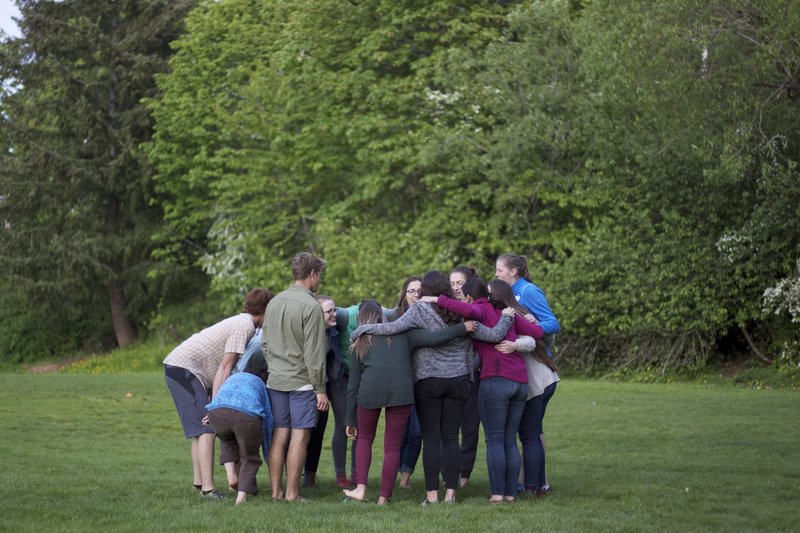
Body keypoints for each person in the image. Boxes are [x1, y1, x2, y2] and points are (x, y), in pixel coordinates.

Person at [350, 271, 515, 505]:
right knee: (451, 438)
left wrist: (360, 331)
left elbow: (392, 328)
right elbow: (494, 335)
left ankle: (431, 496)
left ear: (425, 290)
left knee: (431, 438)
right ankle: (451, 495)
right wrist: (508, 317)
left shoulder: (418, 310)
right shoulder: (461, 310)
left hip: (428, 381)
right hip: (458, 381)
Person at [342, 300, 478, 504]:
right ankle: (383, 498)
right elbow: (436, 338)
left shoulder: (358, 342)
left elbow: (353, 385)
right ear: (383, 316)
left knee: (364, 439)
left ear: (361, 319)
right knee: (392, 447)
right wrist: (462, 327)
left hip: (370, 392)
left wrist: (350, 420)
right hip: (401, 393)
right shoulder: (404, 334)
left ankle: (360, 490)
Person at [423, 277, 543, 503]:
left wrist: (437, 299)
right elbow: (536, 333)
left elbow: (468, 310)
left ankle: (497, 494)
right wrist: (530, 319)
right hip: (520, 380)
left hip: (496, 380)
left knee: (495, 440)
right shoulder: (506, 311)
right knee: (509, 439)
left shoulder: (479, 309)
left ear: (469, 297)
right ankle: (510, 494)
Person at [163, 288, 273, 500]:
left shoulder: (242, 323)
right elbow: (225, 367)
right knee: (207, 429)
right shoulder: (245, 326)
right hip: (185, 368)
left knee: (200, 430)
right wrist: (215, 405)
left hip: (180, 368)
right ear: (264, 309)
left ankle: (199, 482)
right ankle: (209, 489)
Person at [262, 252, 329, 502]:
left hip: (276, 379)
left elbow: (264, 343)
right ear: (312, 274)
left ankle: (277, 492)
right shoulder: (311, 306)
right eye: (319, 274)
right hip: (302, 381)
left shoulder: (275, 302)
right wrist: (320, 388)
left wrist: (277, 365)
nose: (319, 280)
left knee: (280, 434)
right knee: (300, 435)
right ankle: (292, 494)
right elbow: (314, 353)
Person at [303, 294, 355, 489]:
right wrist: (319, 390)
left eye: (335, 309)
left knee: (338, 425)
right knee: (311, 429)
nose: (335, 314)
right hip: (310, 385)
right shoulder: (308, 333)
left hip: (331, 379)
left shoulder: (332, 329)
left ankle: (338, 476)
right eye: (330, 311)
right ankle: (305, 475)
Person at [496, 337, 559, 496]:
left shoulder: (512, 320)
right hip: (548, 379)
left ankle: (530, 487)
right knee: (535, 434)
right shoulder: (525, 318)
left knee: (529, 436)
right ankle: (540, 485)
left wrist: (514, 345)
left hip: (537, 383)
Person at [206, 368, 271, 505]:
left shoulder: (232, 378)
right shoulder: (260, 384)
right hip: (246, 416)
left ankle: (232, 477)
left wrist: (212, 415)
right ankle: (241, 498)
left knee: (226, 440)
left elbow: (218, 400)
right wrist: (269, 451)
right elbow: (268, 418)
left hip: (217, 413)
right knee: (250, 456)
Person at [449, 266, 480, 487]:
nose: (456, 288)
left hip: (474, 374)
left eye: (459, 283)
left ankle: (464, 475)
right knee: (449, 428)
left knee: (470, 426)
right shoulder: (449, 309)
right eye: (452, 284)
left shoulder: (480, 307)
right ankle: (448, 473)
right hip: (451, 374)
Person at [495, 253, 560, 354]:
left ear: (513, 271)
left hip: (537, 358)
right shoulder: (506, 292)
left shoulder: (529, 290)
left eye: (499, 270)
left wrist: (536, 324)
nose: (496, 274)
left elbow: (553, 324)